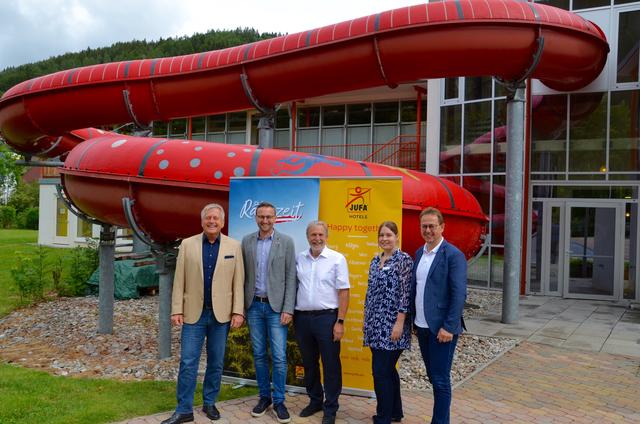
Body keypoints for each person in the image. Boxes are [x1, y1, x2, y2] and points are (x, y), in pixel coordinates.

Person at [162, 203, 245, 424]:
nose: (212, 222)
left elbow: (239, 282)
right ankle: (184, 410)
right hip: (193, 315)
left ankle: (209, 403)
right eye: (208, 218)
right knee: (188, 362)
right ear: (202, 221)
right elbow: (179, 280)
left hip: (221, 316)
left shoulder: (233, 246)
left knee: (216, 362)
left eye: (216, 218)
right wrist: (176, 309)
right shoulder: (187, 245)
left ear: (222, 222)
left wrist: (238, 311)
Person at [241, 201, 297, 423]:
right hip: (254, 306)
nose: (265, 220)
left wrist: (288, 309)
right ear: (256, 218)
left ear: (276, 218)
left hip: (276, 309)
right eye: (261, 217)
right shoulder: (246, 241)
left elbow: (291, 277)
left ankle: (280, 401)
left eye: (269, 217)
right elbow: (242, 276)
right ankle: (264, 397)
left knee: (280, 357)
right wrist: (241, 308)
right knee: (259, 354)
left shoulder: (287, 242)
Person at [410, 207, 466, 424]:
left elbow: (459, 294)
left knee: (441, 380)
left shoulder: (453, 255)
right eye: (424, 226)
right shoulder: (418, 253)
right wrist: (414, 321)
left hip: (442, 329)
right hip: (422, 326)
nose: (428, 230)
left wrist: (449, 327)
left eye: (432, 226)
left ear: (442, 227)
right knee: (434, 377)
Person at [294, 221, 350, 424]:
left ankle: (331, 407)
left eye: (320, 235)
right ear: (307, 236)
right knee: (309, 363)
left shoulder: (337, 259)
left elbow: (344, 291)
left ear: (326, 236)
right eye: (313, 235)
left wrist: (340, 321)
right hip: (302, 319)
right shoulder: (299, 258)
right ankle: (315, 400)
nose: (317, 238)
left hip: (327, 318)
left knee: (331, 364)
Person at [363, 221, 413, 424]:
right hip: (375, 326)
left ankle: (383, 416)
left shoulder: (404, 260)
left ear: (397, 237)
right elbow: (371, 294)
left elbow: (405, 295)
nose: (384, 238)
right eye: (381, 235)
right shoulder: (375, 261)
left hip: (392, 326)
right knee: (389, 370)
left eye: (389, 235)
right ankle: (395, 412)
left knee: (381, 372)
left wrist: (400, 323)